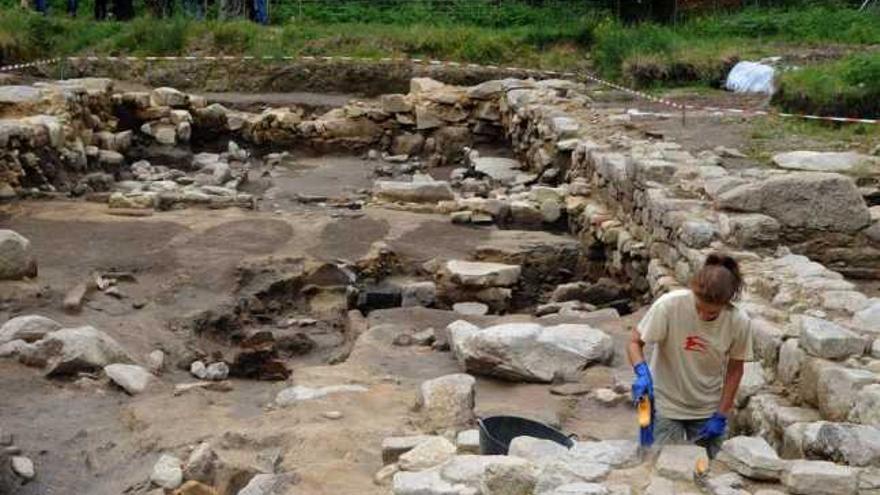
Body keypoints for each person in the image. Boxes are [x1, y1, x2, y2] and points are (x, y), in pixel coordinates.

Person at [627, 252, 752, 458]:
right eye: (698, 308)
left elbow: (735, 370)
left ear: (727, 302)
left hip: (707, 407)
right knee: (662, 466)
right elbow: (634, 342)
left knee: (712, 470)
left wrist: (722, 413)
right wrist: (641, 371)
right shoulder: (669, 305)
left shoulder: (738, 322)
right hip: (665, 403)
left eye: (711, 314)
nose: (703, 316)